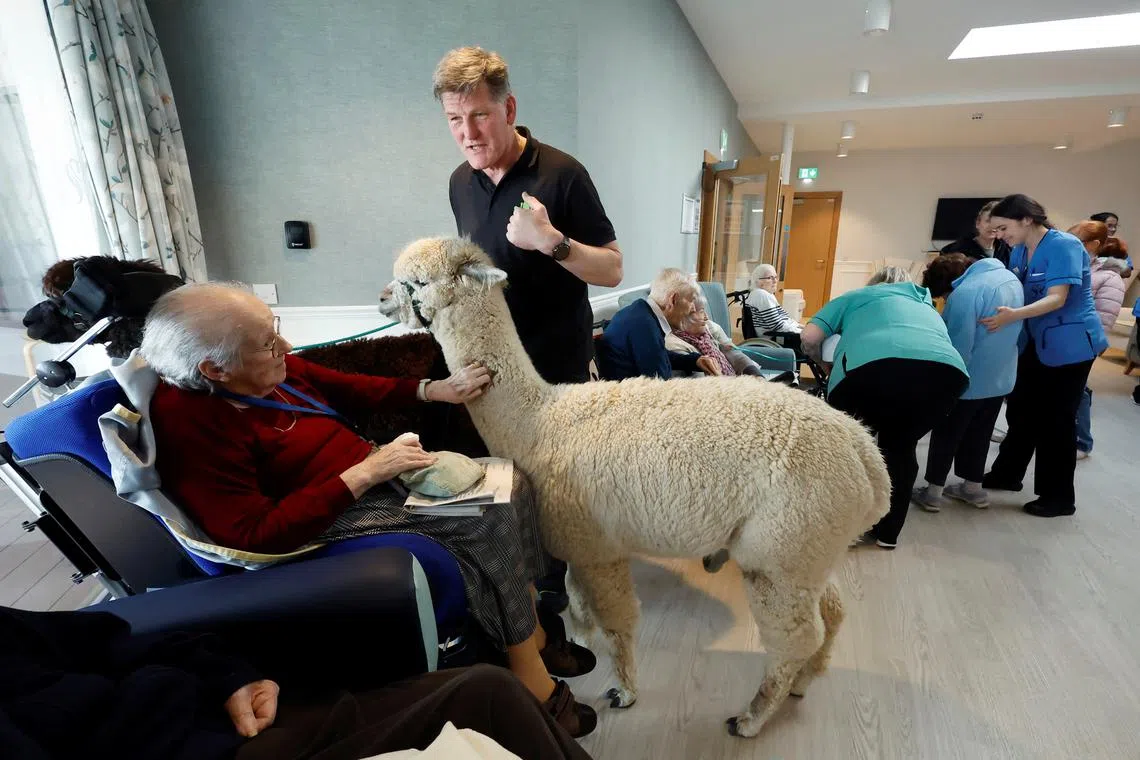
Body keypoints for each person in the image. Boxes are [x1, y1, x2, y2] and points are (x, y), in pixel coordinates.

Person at [140, 284, 597, 737]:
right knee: (484, 520)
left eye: (274, 329)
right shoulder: (192, 426)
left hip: (371, 475)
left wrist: (433, 390)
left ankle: (531, 623)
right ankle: (527, 666)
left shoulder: (265, 373)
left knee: (512, 481)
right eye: (267, 342)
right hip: (324, 518)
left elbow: (351, 388)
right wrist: (365, 473)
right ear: (213, 368)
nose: (286, 346)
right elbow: (254, 535)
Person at [0, 605, 593, 760]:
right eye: (264, 342)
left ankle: (541, 649)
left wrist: (231, 675)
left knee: (481, 689)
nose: (281, 344)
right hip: (203, 753)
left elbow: (114, 638)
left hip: (226, 719)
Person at [438, 46, 621, 386]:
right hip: (497, 371)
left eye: (479, 115)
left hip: (561, 373)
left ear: (508, 109)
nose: (468, 134)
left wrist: (551, 242)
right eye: (454, 119)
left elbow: (613, 270)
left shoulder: (564, 174)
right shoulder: (459, 182)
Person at [801, 266, 968, 549]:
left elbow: (809, 337)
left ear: (874, 283)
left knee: (851, 447)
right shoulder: (926, 306)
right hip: (945, 376)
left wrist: (823, 364)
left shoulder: (857, 297)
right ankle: (888, 534)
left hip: (869, 369)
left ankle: (848, 530)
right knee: (901, 446)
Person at [980, 195, 1108, 518]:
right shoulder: (1021, 249)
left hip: (1070, 344)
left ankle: (1058, 497)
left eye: (1003, 227)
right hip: (1036, 341)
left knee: (1057, 420)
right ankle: (1007, 474)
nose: (999, 235)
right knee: (1021, 408)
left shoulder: (1063, 245)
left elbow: (1057, 298)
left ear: (1025, 219)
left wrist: (1012, 315)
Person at [912, 254, 1023, 512]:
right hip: (1001, 376)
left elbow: (959, 345)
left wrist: (942, 382)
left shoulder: (966, 292)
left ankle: (933, 493)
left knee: (947, 434)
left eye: (944, 297)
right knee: (980, 433)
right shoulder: (1009, 279)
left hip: (968, 380)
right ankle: (973, 488)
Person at [595, 269, 721, 380]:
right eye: (691, 300)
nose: (693, 308)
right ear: (673, 300)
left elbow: (659, 354)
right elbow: (661, 387)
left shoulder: (640, 312)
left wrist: (695, 361)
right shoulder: (644, 327)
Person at [1069, 223, 1128, 459]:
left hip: (1082, 344)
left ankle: (1083, 442)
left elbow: (1104, 318)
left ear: (1094, 246)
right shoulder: (1083, 268)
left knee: (1079, 391)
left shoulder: (1109, 278)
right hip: (1061, 341)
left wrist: (1090, 348)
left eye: (1078, 241)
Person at [667, 293, 766, 377]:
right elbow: (698, 380)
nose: (706, 316)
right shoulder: (674, 345)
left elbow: (733, 353)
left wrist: (756, 375)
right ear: (684, 317)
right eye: (701, 311)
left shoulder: (709, 328)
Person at [743, 264, 802, 350]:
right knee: (815, 340)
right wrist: (801, 331)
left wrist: (800, 327)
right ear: (758, 281)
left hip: (779, 334)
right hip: (773, 339)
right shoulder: (761, 295)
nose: (775, 281)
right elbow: (777, 325)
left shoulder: (765, 294)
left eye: (775, 277)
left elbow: (784, 319)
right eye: (770, 278)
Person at [940, 200, 1012, 267]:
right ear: (978, 223)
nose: (992, 226)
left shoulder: (1008, 250)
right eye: (988, 221)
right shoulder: (957, 251)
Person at [1090, 211, 1133, 276]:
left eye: (1115, 226)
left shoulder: (1116, 244)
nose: (1113, 229)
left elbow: (1128, 271)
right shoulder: (1087, 243)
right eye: (1109, 226)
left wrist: (1119, 265)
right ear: (1098, 225)